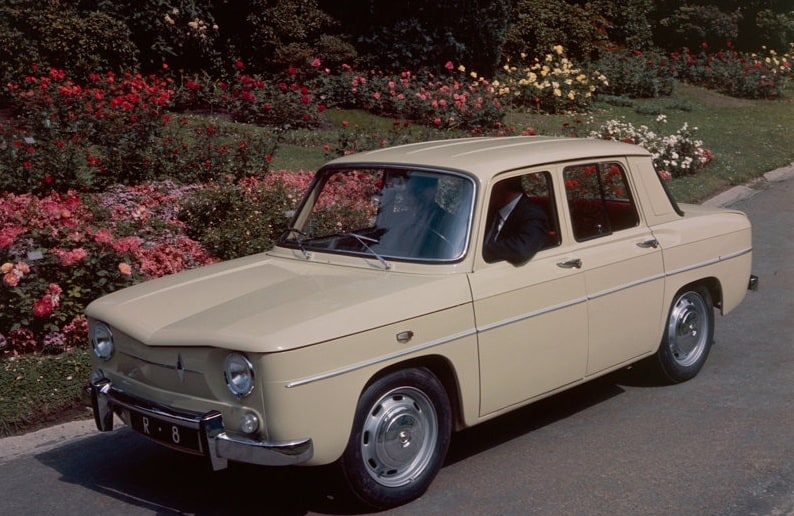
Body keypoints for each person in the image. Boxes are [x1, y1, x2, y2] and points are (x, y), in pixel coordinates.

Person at [482, 176, 549, 265]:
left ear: (499, 186)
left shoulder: (533, 215)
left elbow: (522, 249)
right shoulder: (489, 209)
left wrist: (481, 250)